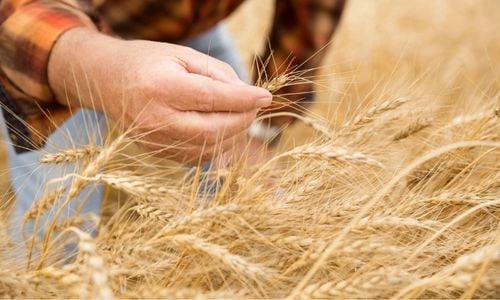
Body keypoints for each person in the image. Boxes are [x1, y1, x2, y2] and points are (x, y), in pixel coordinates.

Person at [0, 0, 346, 241]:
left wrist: (262, 128)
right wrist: (97, 69)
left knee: (253, 187)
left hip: (184, 22)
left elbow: (310, 17)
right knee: (61, 222)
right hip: (57, 25)